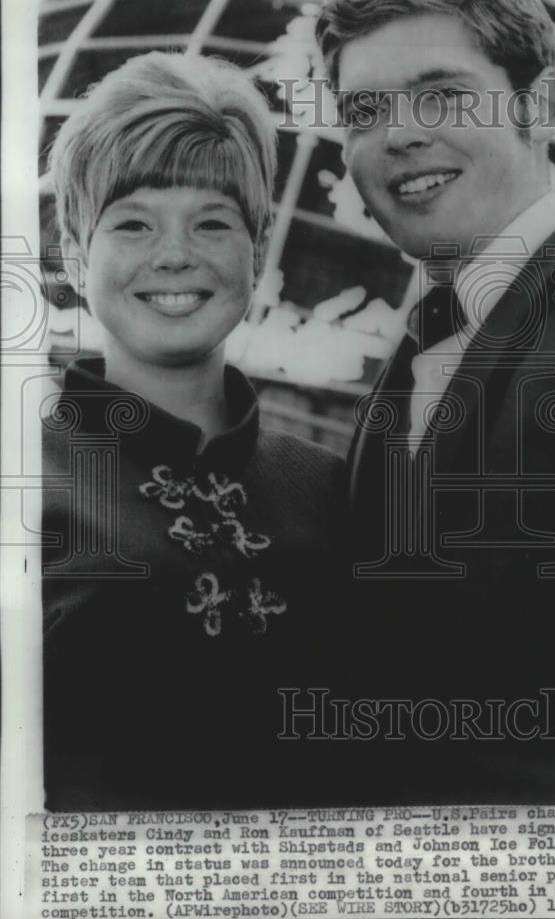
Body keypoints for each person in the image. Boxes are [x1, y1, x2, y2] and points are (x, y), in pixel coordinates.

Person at [315, 0, 555, 802]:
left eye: (441, 93)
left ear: (545, 106)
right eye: (365, 110)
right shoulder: (421, 347)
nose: (400, 134)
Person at [42, 52, 347, 810]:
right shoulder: (21, 484)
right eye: (134, 222)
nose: (174, 253)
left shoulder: (335, 485)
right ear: (77, 254)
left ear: (259, 244)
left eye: (213, 222)